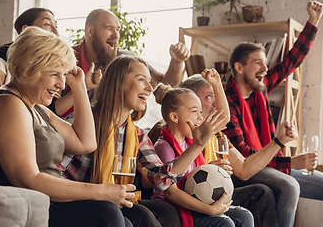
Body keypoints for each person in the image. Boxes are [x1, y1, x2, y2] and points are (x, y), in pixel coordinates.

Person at [0, 26, 135, 227]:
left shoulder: (36, 107)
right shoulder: (7, 104)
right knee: (107, 214)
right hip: (24, 206)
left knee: (134, 217)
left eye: (64, 75)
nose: (62, 85)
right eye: (55, 74)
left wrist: (80, 86)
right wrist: (100, 192)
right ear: (25, 69)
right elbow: (28, 179)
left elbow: (86, 143)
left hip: (45, 202)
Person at [60, 55, 226, 227]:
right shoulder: (82, 121)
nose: (149, 88)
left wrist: (197, 145)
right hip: (76, 203)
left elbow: (161, 180)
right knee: (120, 216)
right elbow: (55, 176)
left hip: (112, 202)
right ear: (118, 82)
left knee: (165, 211)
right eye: (141, 80)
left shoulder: (137, 135)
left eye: (149, 81)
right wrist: (97, 193)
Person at [223, 0, 323, 227]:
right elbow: (246, 156)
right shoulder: (227, 102)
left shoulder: (262, 86)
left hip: (271, 164)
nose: (265, 69)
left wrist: (313, 22)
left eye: (265, 63)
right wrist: (290, 161)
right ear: (239, 67)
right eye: (258, 63)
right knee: (289, 186)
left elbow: (291, 62)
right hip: (244, 172)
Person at [179, 72, 299, 227]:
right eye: (210, 96)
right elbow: (169, 175)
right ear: (190, 100)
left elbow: (243, 169)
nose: (216, 103)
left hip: (214, 193)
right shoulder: (180, 131)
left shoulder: (218, 135)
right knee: (285, 187)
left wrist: (279, 141)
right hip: (192, 199)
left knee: (261, 193)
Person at [49, 8, 190, 117]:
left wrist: (177, 62)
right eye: (109, 29)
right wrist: (82, 86)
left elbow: (167, 84)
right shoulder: (65, 59)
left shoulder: (125, 59)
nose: (116, 36)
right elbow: (52, 110)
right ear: (90, 31)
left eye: (117, 30)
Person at [151, 82, 254, 227]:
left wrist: (209, 170)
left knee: (244, 215)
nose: (200, 117)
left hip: (193, 200)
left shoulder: (190, 141)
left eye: (200, 112)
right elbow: (170, 192)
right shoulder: (164, 146)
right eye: (194, 112)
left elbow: (224, 119)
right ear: (174, 117)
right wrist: (210, 209)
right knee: (225, 223)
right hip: (172, 208)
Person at [0, 7, 59, 118]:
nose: (56, 32)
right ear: (26, 30)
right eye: (47, 24)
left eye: (56, 26)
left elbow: (51, 110)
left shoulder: (42, 64)